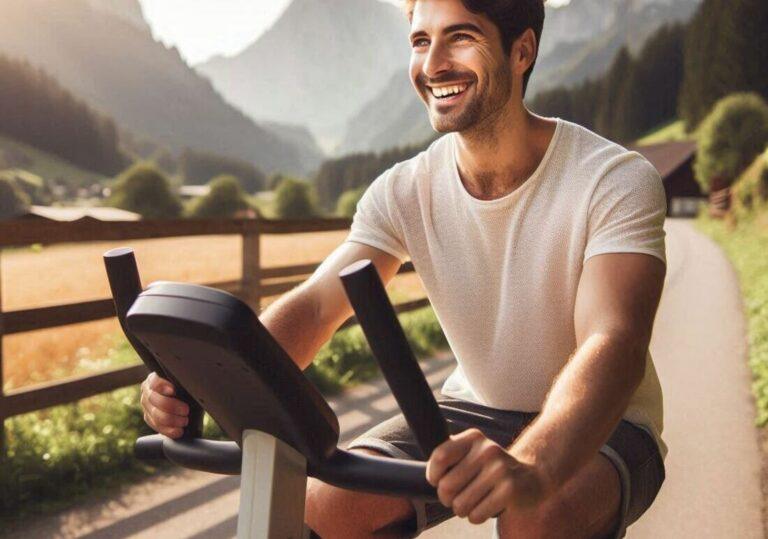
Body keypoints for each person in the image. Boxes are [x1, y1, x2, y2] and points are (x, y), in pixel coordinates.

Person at [140, 0, 668, 536]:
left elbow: (613, 341)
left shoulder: (612, 179)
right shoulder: (404, 189)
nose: (433, 64)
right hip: (475, 406)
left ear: (521, 51)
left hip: (608, 425)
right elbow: (320, 305)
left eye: (460, 37)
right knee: (328, 502)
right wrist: (204, 383)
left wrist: (534, 465)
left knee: (537, 514)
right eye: (420, 41)